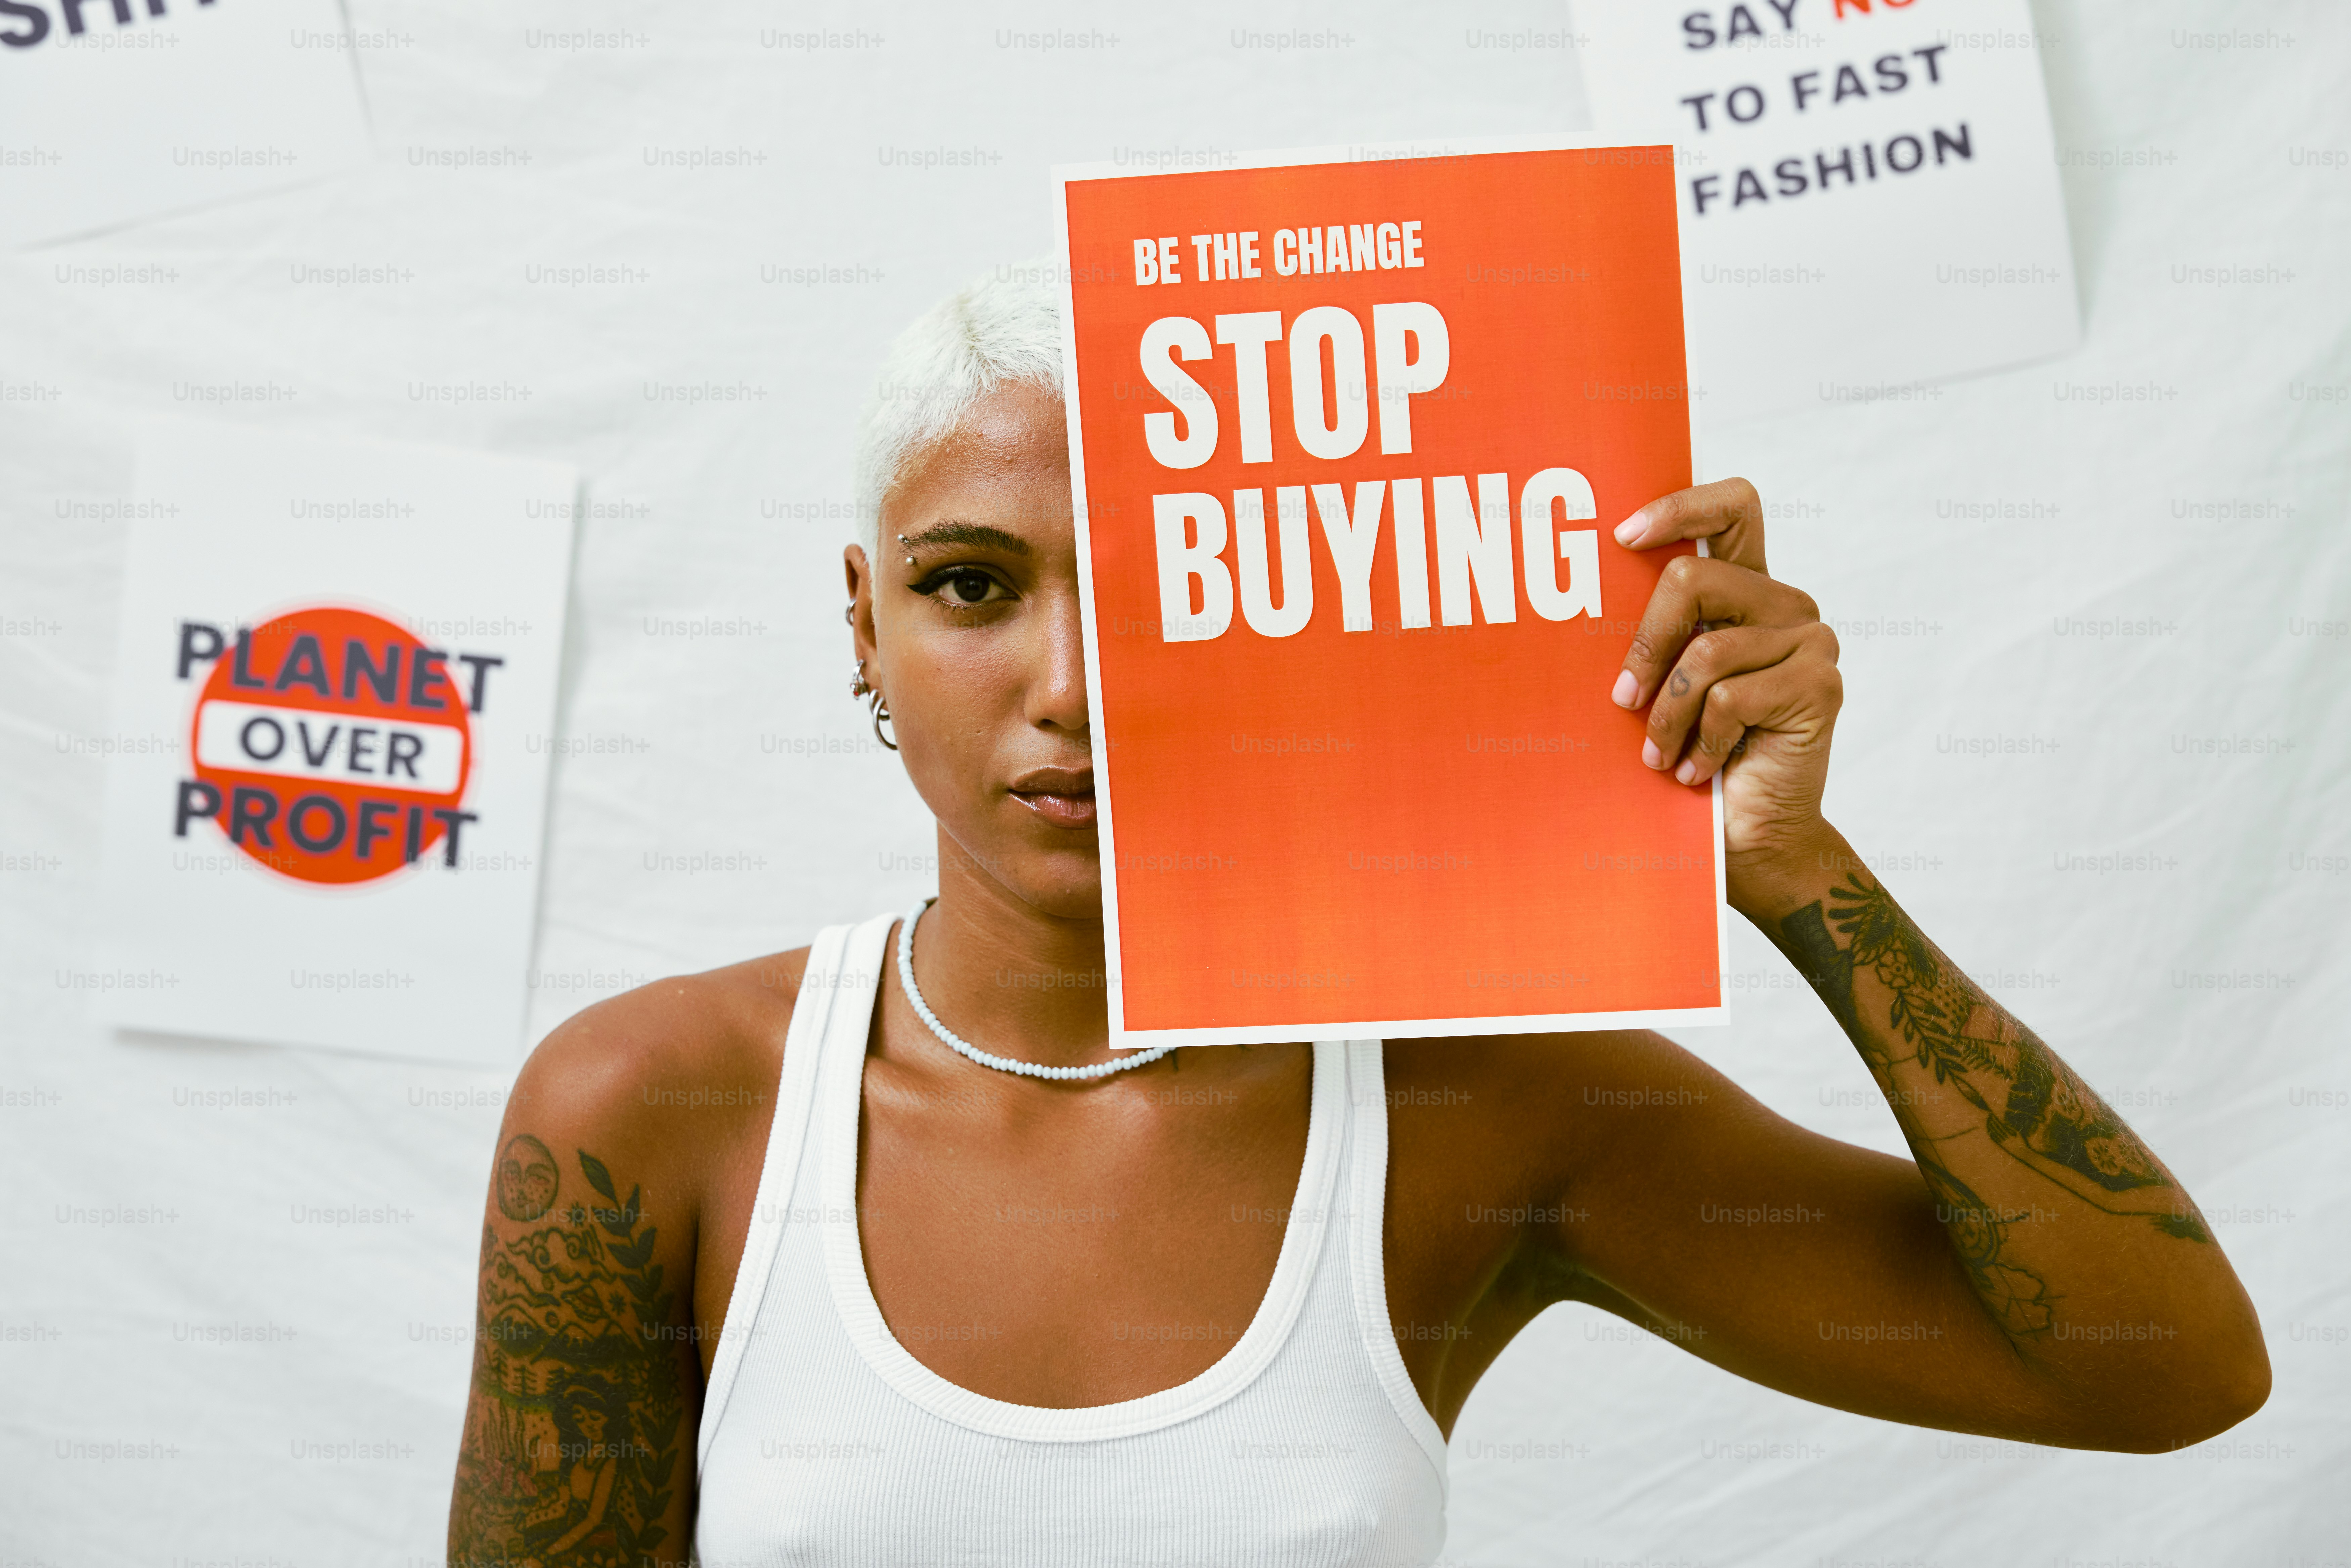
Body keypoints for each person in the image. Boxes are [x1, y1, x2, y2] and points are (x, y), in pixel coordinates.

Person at [446, 267, 2268, 1567]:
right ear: (864, 626)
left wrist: (1796, 871)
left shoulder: (1474, 1098)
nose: (1071, 683)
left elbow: (2152, 1366)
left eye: (1161, 586)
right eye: (970, 586)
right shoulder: (657, 1109)